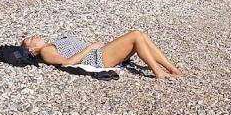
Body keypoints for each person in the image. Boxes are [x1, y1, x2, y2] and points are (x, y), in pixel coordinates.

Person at [13, 30, 184, 79]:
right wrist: (91, 47)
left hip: (99, 53)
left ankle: (171, 68)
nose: (34, 36)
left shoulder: (51, 44)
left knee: (142, 36)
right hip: (98, 58)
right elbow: (66, 63)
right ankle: (158, 72)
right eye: (30, 40)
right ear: (31, 50)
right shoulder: (46, 51)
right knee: (136, 35)